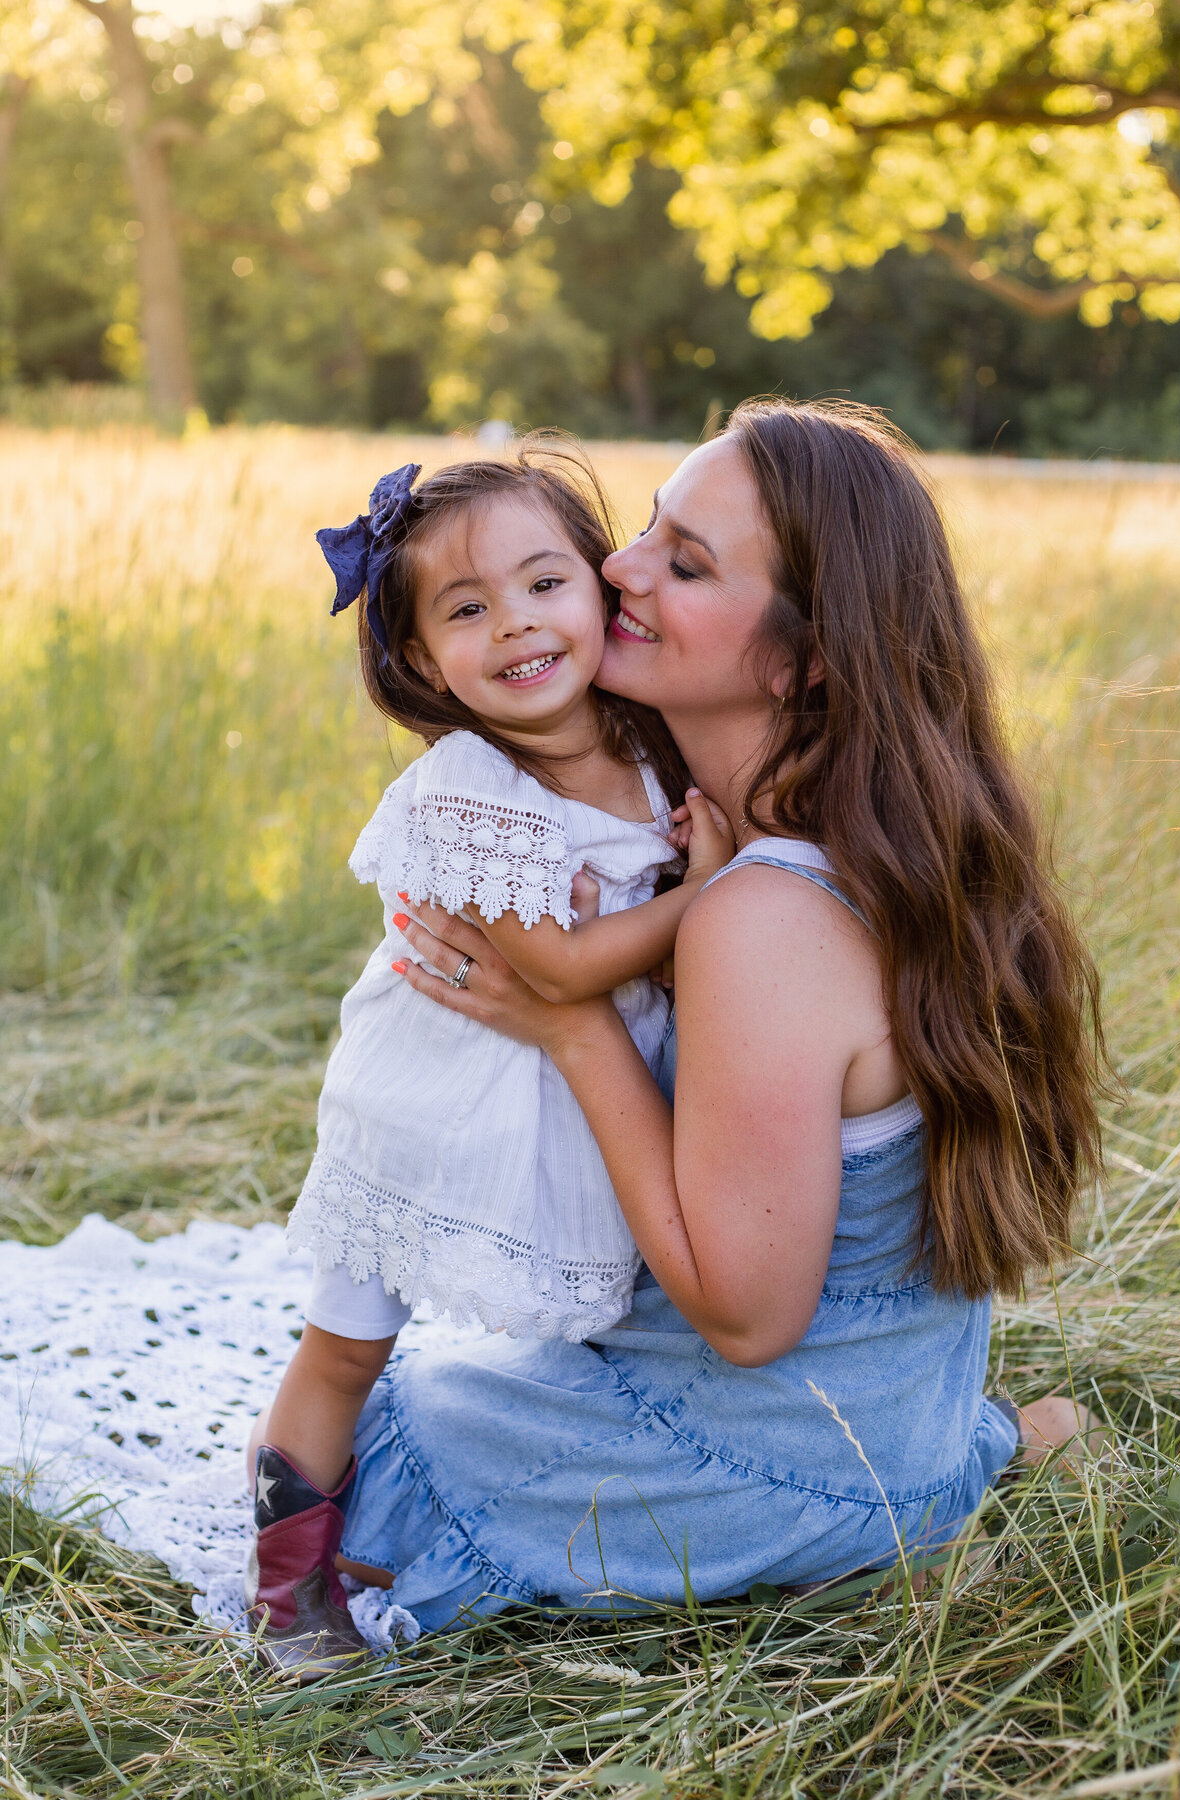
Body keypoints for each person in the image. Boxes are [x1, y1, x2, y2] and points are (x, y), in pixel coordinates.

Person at [255, 398, 1106, 1664]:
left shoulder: (760, 912)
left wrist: (572, 1026)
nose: (617, 568)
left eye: (687, 563)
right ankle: (975, 1449)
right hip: (886, 1417)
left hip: (764, 1471)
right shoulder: (831, 834)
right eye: (650, 524)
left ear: (805, 658)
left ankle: (914, 1494)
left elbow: (749, 1322)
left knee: (401, 1419)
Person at [245, 448, 734, 1676]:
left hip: (562, 1107)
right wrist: (719, 884)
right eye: (467, 610)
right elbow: (563, 971)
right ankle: (285, 1580)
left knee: (583, 1316)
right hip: (431, 1109)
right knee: (352, 1339)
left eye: (543, 582)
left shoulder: (650, 742)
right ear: (418, 660)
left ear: (600, 590)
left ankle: (460, 1505)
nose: (517, 623)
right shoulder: (469, 787)